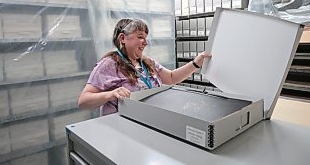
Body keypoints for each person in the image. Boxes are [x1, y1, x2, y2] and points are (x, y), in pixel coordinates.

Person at [78, 18, 212, 115]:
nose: (145, 42)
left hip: (148, 121)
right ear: (123, 38)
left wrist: (196, 63)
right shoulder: (108, 64)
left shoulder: (147, 62)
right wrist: (110, 94)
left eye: (146, 38)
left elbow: (171, 78)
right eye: (140, 36)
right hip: (121, 127)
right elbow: (83, 101)